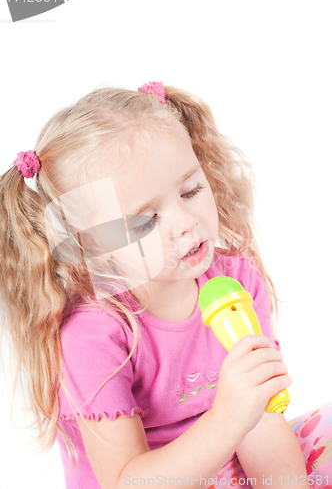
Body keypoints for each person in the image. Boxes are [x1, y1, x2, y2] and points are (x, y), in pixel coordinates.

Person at [0, 81, 331, 489]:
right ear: (89, 244)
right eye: (143, 221)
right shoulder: (92, 334)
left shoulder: (237, 280)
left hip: (225, 470)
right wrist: (228, 418)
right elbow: (126, 482)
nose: (185, 221)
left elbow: (261, 423)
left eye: (191, 190)